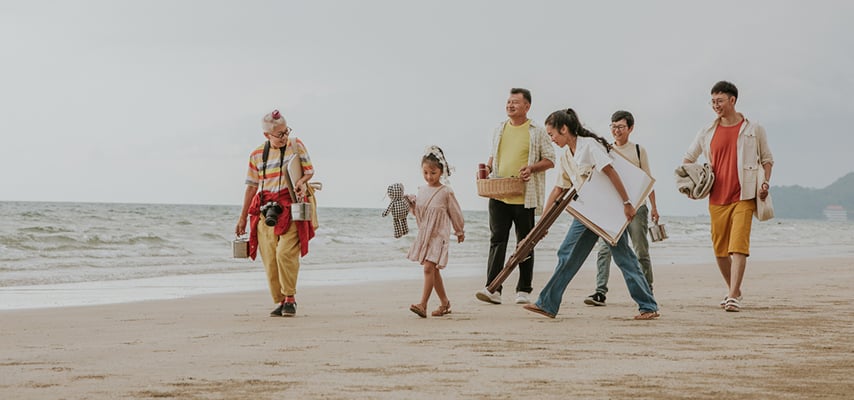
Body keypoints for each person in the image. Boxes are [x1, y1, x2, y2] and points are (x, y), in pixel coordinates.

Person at [522, 108, 659, 320]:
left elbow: (611, 172)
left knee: (624, 258)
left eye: (552, 134)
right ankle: (547, 303)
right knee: (567, 254)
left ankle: (648, 305)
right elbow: (558, 190)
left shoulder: (589, 146)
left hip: (606, 212)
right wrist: (542, 222)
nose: (552, 139)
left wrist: (627, 203)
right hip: (587, 215)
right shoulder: (567, 156)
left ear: (564, 129)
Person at [682, 81, 773, 312]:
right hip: (716, 198)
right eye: (712, 101)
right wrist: (694, 186)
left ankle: (732, 294)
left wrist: (764, 182)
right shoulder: (707, 131)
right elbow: (687, 160)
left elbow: (767, 159)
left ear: (732, 100)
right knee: (720, 252)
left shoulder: (754, 129)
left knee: (738, 247)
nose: (715, 105)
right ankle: (735, 290)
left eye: (719, 101)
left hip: (744, 195)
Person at [476, 88, 555, 305]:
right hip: (499, 193)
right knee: (497, 240)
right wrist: (488, 168)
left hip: (524, 195)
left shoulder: (536, 131)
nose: (510, 105)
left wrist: (531, 168)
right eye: (508, 102)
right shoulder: (499, 129)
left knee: (525, 242)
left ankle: (524, 290)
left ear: (527, 106)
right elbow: (493, 154)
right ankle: (493, 287)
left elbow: (550, 159)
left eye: (515, 102)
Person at [235, 109, 316, 317]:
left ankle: (290, 298)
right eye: (279, 134)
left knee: (285, 253)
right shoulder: (256, 155)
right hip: (265, 209)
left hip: (292, 207)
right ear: (266, 135)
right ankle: (280, 301)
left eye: (286, 131)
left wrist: (301, 182)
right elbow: (251, 187)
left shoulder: (296, 146)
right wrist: (242, 217)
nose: (284, 137)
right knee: (270, 258)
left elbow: (309, 171)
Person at [584, 110, 660, 306]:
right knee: (604, 250)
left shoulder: (638, 151)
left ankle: (646, 289)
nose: (616, 130)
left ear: (630, 128)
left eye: (621, 127)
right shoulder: (605, 149)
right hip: (612, 209)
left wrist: (654, 207)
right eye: (613, 126)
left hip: (637, 207)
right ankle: (600, 292)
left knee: (640, 250)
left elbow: (647, 180)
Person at [407, 146, 465, 318]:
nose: (429, 177)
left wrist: (459, 230)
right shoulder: (422, 190)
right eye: (425, 172)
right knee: (433, 271)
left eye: (433, 173)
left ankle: (422, 305)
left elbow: (455, 212)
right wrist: (411, 205)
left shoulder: (446, 191)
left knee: (428, 268)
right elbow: (420, 214)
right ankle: (445, 303)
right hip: (426, 235)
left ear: (441, 171)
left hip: (439, 237)